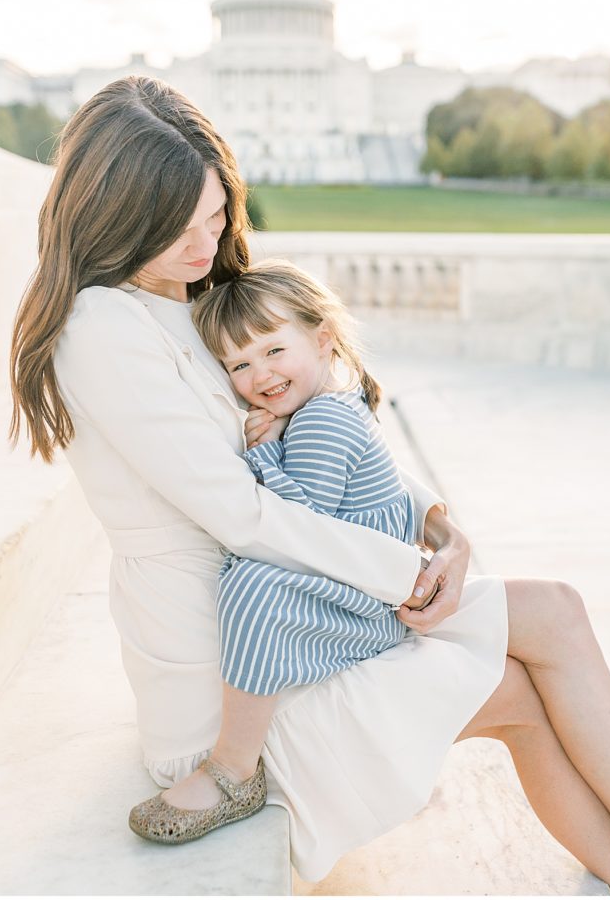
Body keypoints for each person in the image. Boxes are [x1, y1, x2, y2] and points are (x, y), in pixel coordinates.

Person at [10, 75, 610, 894]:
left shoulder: (195, 300)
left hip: (300, 615)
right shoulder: (102, 327)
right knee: (529, 669)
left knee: (552, 623)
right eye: (180, 228)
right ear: (116, 215)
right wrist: (409, 577)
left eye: (217, 214)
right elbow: (243, 516)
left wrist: (437, 525)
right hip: (232, 685)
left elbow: (331, 416)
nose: (207, 242)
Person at [128, 258, 443, 843]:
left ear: (323, 340)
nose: (259, 376)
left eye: (273, 351)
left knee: (253, 584)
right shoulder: (325, 404)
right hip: (362, 580)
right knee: (251, 575)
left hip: (369, 604)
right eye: (239, 365)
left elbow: (308, 527)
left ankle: (232, 768)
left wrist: (263, 456)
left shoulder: (321, 420)